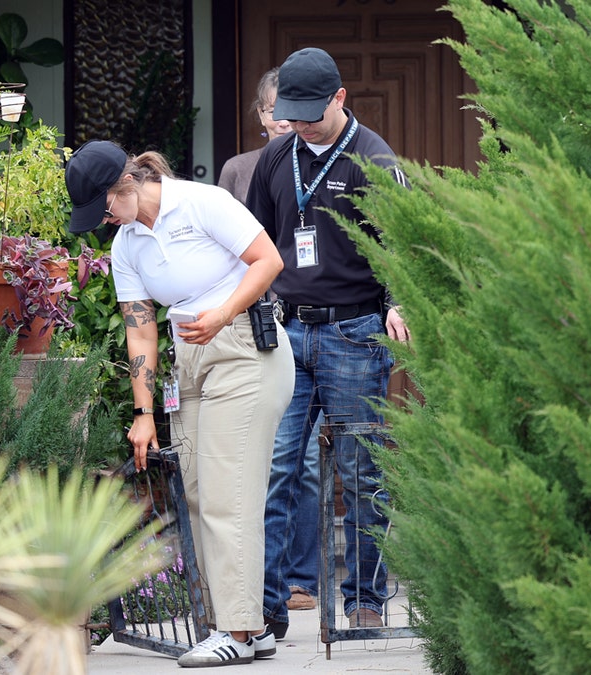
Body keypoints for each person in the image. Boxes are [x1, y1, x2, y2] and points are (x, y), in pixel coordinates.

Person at [65, 140, 294, 667]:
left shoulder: (201, 202)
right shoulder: (127, 245)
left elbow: (268, 260)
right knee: (195, 493)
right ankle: (244, 625)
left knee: (226, 494)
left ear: (124, 186)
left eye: (103, 208)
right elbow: (140, 332)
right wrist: (143, 414)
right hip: (189, 360)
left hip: (243, 347)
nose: (103, 220)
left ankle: (234, 631)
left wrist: (221, 313)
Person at [246, 47, 410, 635]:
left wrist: (398, 302)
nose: (300, 124)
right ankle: (266, 604)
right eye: (291, 114)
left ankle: (365, 597)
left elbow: (402, 245)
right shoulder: (274, 159)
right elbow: (255, 240)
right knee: (275, 466)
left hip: (354, 333)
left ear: (341, 99)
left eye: (311, 113)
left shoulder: (374, 159)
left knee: (360, 471)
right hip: (288, 333)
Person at [219, 67, 320, 613]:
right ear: (259, 116)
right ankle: (267, 584)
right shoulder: (239, 170)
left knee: (306, 462)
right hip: (260, 322)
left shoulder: (321, 161)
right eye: (272, 110)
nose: (282, 118)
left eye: (291, 108)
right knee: (275, 459)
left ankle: (304, 578)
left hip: (312, 321)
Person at [217, 68, 292, 203]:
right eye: (274, 112)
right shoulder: (236, 168)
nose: (284, 122)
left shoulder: (317, 164)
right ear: (261, 114)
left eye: (291, 111)